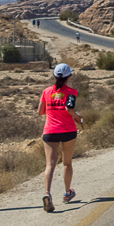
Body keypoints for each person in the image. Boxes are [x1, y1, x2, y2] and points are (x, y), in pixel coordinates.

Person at [38, 63, 83, 212]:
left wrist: (53, 108)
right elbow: (69, 108)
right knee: (67, 163)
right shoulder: (71, 92)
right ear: (68, 76)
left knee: (50, 164)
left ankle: (47, 193)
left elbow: (40, 111)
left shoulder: (46, 91)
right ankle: (67, 193)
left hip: (50, 130)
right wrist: (77, 118)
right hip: (68, 130)